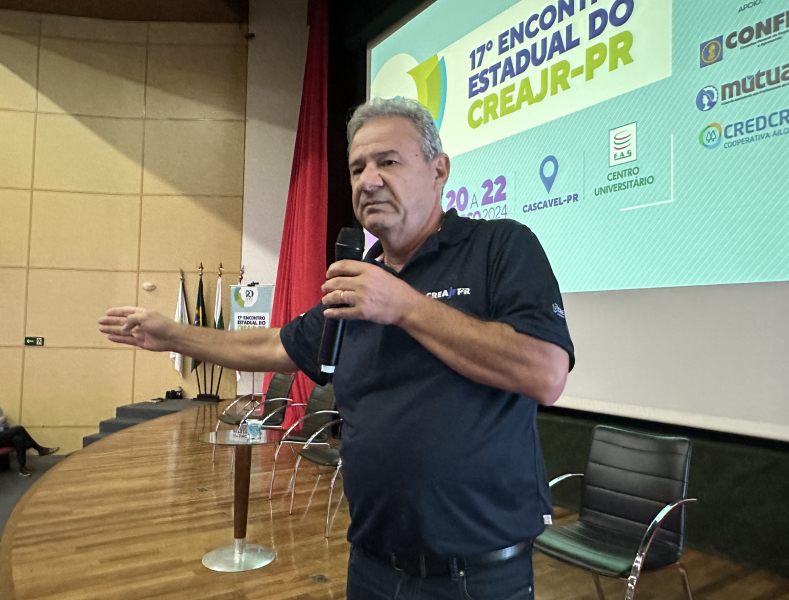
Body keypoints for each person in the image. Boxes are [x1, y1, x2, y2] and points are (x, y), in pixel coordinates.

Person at [99, 97, 574, 599]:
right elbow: (275, 344)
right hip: (371, 565)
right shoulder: (358, 282)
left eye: (388, 161)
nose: (368, 180)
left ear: (439, 171)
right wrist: (174, 335)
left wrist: (404, 305)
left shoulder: (500, 246)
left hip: (475, 577)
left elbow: (545, 373)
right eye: (357, 168)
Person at [0, 406, 59, 477]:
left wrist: (4, 420)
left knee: (18, 439)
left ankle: (22, 468)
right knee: (19, 429)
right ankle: (39, 449)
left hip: (3, 436)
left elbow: (6, 423)